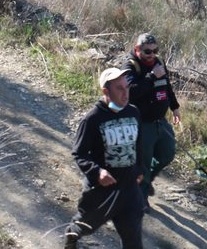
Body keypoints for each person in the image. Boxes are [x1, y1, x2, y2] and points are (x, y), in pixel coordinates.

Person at [64, 67, 144, 249]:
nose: (125, 93)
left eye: (127, 87)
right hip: (103, 190)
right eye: (119, 88)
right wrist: (97, 172)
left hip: (129, 189)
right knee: (83, 226)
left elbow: (138, 144)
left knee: (133, 241)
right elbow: (79, 153)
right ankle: (71, 238)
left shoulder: (133, 112)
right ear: (106, 91)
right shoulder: (93, 119)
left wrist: (140, 168)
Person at [122, 32, 181, 213]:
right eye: (148, 51)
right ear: (137, 49)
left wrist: (175, 107)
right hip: (142, 123)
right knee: (144, 162)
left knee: (167, 153)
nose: (152, 55)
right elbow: (130, 92)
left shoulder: (158, 63)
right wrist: (151, 77)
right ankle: (140, 196)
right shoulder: (130, 67)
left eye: (155, 50)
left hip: (160, 120)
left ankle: (145, 182)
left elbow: (167, 86)